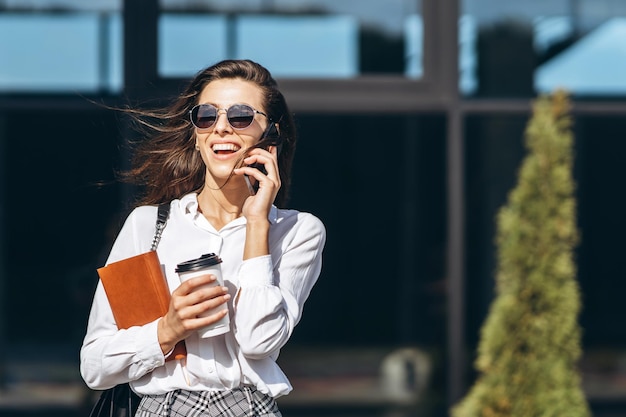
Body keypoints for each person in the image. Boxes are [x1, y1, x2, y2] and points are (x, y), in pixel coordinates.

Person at [80, 59, 326, 417]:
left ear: (270, 135)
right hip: (161, 408)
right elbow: (95, 365)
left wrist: (257, 223)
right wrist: (167, 329)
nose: (221, 128)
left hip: (247, 407)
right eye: (207, 116)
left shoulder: (297, 231)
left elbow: (258, 341)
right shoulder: (147, 226)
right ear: (195, 135)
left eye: (241, 116)